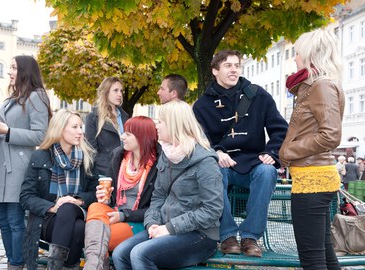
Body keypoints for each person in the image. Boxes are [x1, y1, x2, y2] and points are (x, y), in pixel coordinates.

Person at [193, 50, 288, 257]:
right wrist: (215, 152)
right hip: (221, 162)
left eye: (237, 65)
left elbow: (280, 128)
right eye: (228, 65)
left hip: (253, 161)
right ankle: (227, 235)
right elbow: (198, 139)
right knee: (213, 172)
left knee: (267, 172)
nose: (234, 69)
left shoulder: (258, 95)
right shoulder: (202, 105)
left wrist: (272, 152)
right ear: (215, 70)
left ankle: (250, 237)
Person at [112, 101, 223, 269]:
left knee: (140, 254)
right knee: (120, 253)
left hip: (200, 236)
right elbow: (158, 196)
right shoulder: (167, 154)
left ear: (174, 124)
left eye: (160, 121)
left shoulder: (205, 161)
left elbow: (212, 210)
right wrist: (152, 224)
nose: (156, 125)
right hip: (165, 227)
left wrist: (170, 228)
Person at [279, 28, 344, 269]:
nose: (294, 58)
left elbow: (331, 135)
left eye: (297, 53)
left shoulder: (321, 86)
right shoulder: (316, 85)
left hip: (312, 180)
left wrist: (289, 151)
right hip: (314, 177)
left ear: (309, 55)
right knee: (324, 255)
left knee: (312, 258)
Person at [0, 55, 51, 270]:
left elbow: (41, 135)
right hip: (0, 165)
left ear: (25, 70)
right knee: (2, 221)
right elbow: (6, 129)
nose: (9, 71)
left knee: (15, 222)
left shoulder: (37, 97)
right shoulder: (12, 98)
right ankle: (13, 260)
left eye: (13, 67)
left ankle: (16, 264)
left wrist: (9, 131)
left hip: (20, 167)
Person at [20, 110, 96, 270]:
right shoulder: (40, 156)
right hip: (48, 219)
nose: (80, 132)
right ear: (60, 129)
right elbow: (26, 197)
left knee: (69, 209)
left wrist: (79, 200)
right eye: (75, 127)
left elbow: (94, 193)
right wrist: (54, 207)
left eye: (81, 127)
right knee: (78, 228)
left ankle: (53, 267)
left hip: (79, 212)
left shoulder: (86, 158)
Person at [84, 116, 160, 270]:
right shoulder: (119, 156)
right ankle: (95, 266)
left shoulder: (158, 164)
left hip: (139, 222)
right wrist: (107, 199)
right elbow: (113, 198)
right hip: (115, 213)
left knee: (99, 238)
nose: (122, 136)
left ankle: (93, 266)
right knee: (96, 207)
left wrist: (124, 216)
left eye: (128, 134)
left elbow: (155, 208)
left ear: (141, 137)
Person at [85, 76, 129, 177]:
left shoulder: (124, 116)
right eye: (115, 90)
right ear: (106, 92)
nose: (119, 94)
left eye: (121, 91)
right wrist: (107, 169)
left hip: (125, 171)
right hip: (104, 173)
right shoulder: (93, 118)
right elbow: (91, 150)